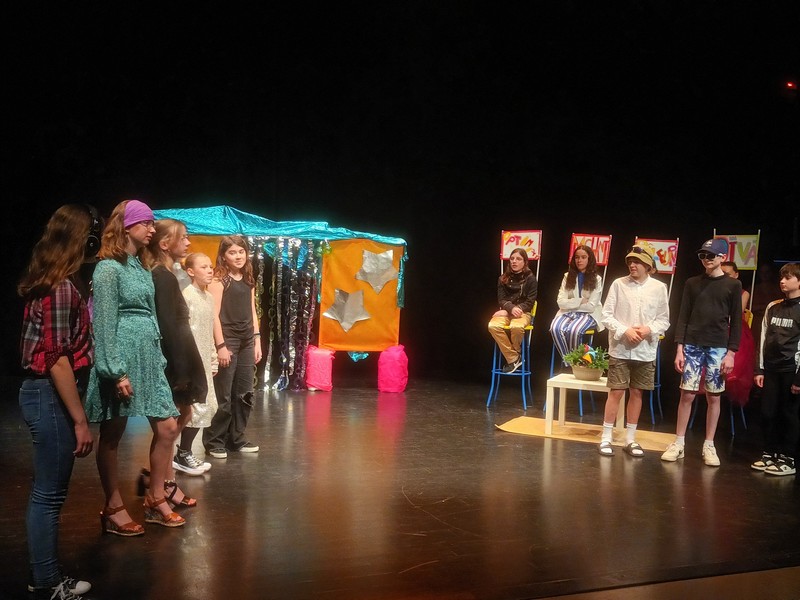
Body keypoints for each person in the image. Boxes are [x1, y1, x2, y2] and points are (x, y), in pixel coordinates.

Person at [84, 199, 185, 534]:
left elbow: (150, 314)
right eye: (147, 223)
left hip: (148, 358)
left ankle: (155, 498)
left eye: (153, 223)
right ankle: (113, 506)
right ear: (127, 226)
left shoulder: (140, 267)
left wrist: (158, 356)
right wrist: (115, 371)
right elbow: (103, 322)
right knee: (113, 433)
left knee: (168, 427)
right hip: (122, 359)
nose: (152, 229)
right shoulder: (108, 268)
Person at [18, 204, 97, 599]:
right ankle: (48, 582)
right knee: (49, 495)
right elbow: (56, 359)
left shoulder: (54, 281)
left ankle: (44, 576)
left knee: (47, 493)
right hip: (48, 394)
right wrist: (80, 420)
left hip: (46, 394)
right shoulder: (61, 287)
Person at [141, 218, 209, 496]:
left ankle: (163, 479)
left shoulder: (167, 274)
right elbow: (169, 325)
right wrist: (181, 370)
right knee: (170, 425)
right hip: (175, 356)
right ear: (165, 244)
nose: (188, 243)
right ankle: (162, 482)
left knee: (182, 415)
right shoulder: (163, 276)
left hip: (180, 351)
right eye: (183, 238)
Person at [661, 238, 742, 467]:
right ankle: (679, 442)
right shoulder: (692, 283)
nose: (706, 259)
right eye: (703, 255)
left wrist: (731, 353)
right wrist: (679, 348)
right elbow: (683, 316)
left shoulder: (733, 285)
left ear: (722, 257)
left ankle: (709, 444)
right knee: (686, 393)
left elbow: (736, 321)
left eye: (711, 255)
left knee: (713, 396)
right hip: (693, 345)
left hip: (718, 346)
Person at [597, 246, 670, 457]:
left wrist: (649, 329)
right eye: (630, 261)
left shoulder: (659, 288)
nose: (632, 265)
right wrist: (625, 330)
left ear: (648, 266)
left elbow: (664, 320)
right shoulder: (618, 284)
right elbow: (606, 315)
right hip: (621, 349)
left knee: (637, 392)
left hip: (645, 350)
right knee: (617, 391)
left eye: (637, 261)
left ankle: (630, 439)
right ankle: (606, 437)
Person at [203, 235, 262, 458]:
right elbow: (214, 315)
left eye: (241, 251)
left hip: (246, 341)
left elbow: (252, 311)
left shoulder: (247, 278)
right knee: (224, 394)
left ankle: (236, 437)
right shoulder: (219, 280)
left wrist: (257, 340)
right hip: (228, 340)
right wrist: (220, 345)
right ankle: (214, 440)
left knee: (244, 392)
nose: (238, 256)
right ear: (223, 256)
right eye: (232, 252)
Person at [750, 263, 800, 476]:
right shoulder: (773, 306)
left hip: (791, 369)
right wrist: (759, 369)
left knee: (789, 414)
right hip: (771, 368)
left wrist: (799, 377)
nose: (782, 281)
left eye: (788, 278)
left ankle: (788, 458)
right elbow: (763, 338)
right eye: (781, 277)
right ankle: (770, 453)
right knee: (768, 412)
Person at [179, 252, 219, 469]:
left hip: (204, 358)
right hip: (192, 360)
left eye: (210, 266)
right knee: (196, 407)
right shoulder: (187, 296)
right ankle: (183, 452)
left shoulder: (209, 297)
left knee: (208, 405)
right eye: (204, 267)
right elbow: (185, 332)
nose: (210, 270)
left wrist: (212, 357)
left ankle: (183, 452)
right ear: (191, 271)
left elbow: (208, 330)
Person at [550, 244, 605, 367]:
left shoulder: (597, 279)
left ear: (589, 259)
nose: (579, 260)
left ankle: (573, 365)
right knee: (555, 328)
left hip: (589, 314)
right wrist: (579, 301)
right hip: (567, 312)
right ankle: (571, 363)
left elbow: (591, 306)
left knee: (574, 330)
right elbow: (560, 302)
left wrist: (570, 303)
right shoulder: (567, 276)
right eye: (577, 257)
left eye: (583, 257)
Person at [487, 247, 538, 374]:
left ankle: (515, 353)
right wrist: (510, 309)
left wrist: (517, 309)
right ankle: (514, 357)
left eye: (518, 259)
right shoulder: (502, 278)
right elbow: (501, 299)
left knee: (516, 326)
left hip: (523, 312)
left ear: (524, 262)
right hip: (507, 311)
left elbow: (530, 302)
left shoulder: (531, 279)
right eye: (512, 258)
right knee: (492, 326)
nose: (514, 261)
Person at [720, 261, 756, 407]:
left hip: (735, 330)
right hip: (718, 329)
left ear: (736, 275)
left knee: (737, 355)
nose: (724, 277)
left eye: (728, 274)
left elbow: (736, 312)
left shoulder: (743, 293)